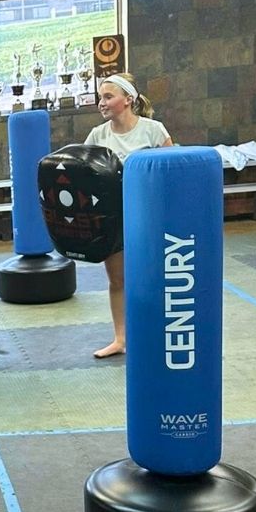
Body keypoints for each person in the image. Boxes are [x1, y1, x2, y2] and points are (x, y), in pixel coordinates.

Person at [84, 73, 174, 358]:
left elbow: (172, 172)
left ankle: (157, 333)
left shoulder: (153, 130)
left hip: (149, 218)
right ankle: (120, 339)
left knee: (153, 277)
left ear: (128, 100)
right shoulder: (98, 136)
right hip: (113, 219)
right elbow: (83, 174)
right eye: (101, 97)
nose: (102, 103)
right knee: (118, 280)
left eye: (108, 97)